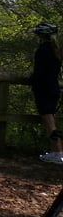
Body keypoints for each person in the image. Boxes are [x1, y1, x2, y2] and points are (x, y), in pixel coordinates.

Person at [31, 22, 63, 164]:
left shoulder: (43, 50)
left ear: (41, 36)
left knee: (49, 122)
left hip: (44, 90)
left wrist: (31, 79)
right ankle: (57, 151)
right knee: (51, 120)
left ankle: (58, 152)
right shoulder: (55, 50)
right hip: (53, 88)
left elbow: (40, 73)